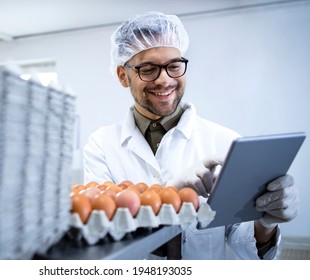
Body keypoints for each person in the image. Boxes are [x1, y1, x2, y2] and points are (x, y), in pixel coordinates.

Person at [83, 11, 299, 259]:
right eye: (148, 69)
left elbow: (241, 242)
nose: (165, 80)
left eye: (174, 66)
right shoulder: (101, 145)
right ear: (123, 76)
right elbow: (102, 237)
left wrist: (266, 223)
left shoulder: (226, 141)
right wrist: (169, 194)